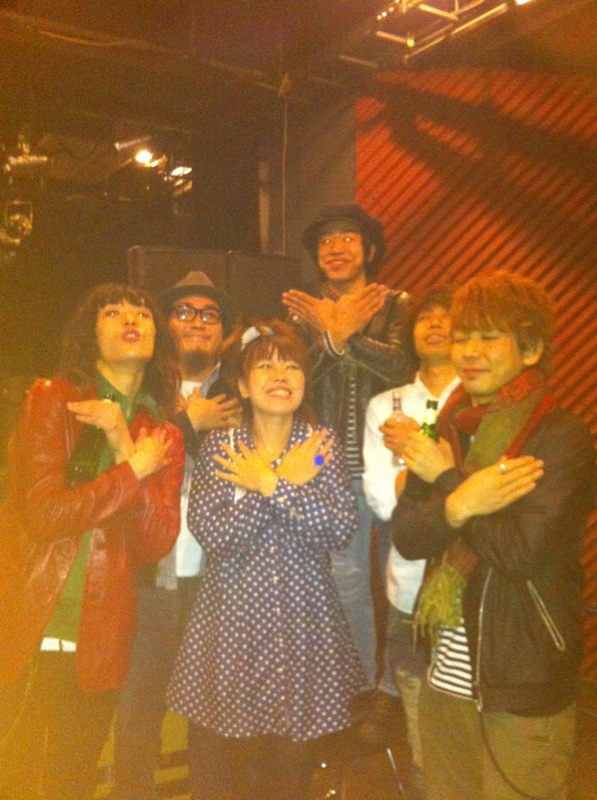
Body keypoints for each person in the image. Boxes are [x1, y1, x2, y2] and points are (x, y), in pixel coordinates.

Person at [392, 271, 596, 800]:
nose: (468, 351)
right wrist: (459, 501)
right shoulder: (449, 427)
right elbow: (409, 537)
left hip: (520, 682)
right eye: (461, 337)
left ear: (530, 349)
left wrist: (447, 482)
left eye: (488, 337)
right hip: (445, 676)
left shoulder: (561, 439)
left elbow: (520, 553)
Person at [0, 284, 184, 800]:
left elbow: (155, 541)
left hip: (100, 638)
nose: (131, 319)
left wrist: (125, 445)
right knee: (14, 775)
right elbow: (45, 515)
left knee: (72, 782)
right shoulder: (54, 400)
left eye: (142, 313)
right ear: (91, 333)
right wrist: (132, 472)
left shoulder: (162, 435)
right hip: (30, 619)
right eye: (113, 312)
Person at [167, 318, 365, 800]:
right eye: (266, 367)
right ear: (242, 385)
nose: (280, 376)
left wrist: (270, 483)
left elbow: (338, 528)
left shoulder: (319, 447)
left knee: (289, 772)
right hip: (231, 630)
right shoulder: (221, 447)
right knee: (225, 768)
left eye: (292, 366)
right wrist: (275, 486)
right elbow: (217, 536)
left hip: (303, 628)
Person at [111, 271, 240, 799]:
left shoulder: (243, 389)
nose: (197, 322)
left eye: (209, 314)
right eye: (184, 311)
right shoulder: (141, 388)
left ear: (225, 332)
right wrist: (190, 424)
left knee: (211, 717)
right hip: (151, 575)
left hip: (219, 579)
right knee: (139, 711)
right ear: (165, 325)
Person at [282, 202, 411, 695]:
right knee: (346, 579)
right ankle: (358, 683)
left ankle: (396, 687)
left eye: (347, 238)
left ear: (369, 250)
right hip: (330, 466)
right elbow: (293, 380)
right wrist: (332, 337)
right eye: (325, 242)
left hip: (397, 462)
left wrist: (341, 334)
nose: (335, 248)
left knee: (403, 578)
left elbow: (402, 366)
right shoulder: (302, 313)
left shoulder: (398, 305)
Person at [362, 285, 459, 795]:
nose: (437, 324)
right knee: (417, 697)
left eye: (448, 317)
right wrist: (438, 473)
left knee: (470, 706)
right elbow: (381, 498)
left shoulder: (483, 399)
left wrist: (414, 462)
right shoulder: (387, 404)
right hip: (409, 580)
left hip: (474, 581)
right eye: (427, 318)